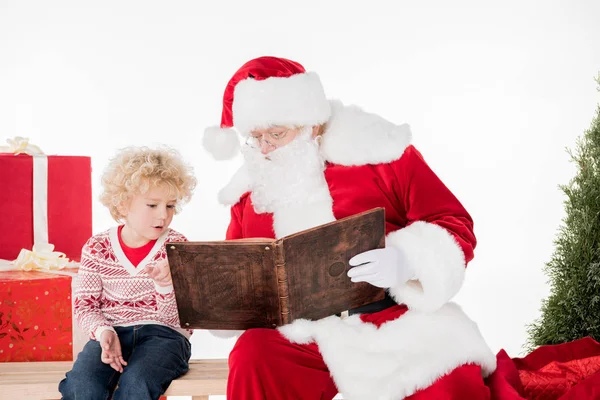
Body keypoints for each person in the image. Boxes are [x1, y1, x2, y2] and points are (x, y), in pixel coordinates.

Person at [200, 56, 497, 399]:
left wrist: (407, 261)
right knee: (254, 353)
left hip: (391, 319)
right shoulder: (251, 189)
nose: (265, 149)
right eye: (256, 137)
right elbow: (239, 264)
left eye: (276, 135)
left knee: (448, 379)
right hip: (301, 334)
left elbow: (452, 221)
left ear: (310, 123)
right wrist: (205, 287)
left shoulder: (380, 151)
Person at [58, 146, 197, 400]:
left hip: (164, 336)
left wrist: (165, 285)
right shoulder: (97, 247)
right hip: (112, 332)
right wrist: (104, 332)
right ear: (123, 205)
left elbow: (180, 321)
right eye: (152, 205)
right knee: (82, 386)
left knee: (138, 382)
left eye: (170, 206)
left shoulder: (176, 247)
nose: (163, 215)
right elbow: (85, 306)